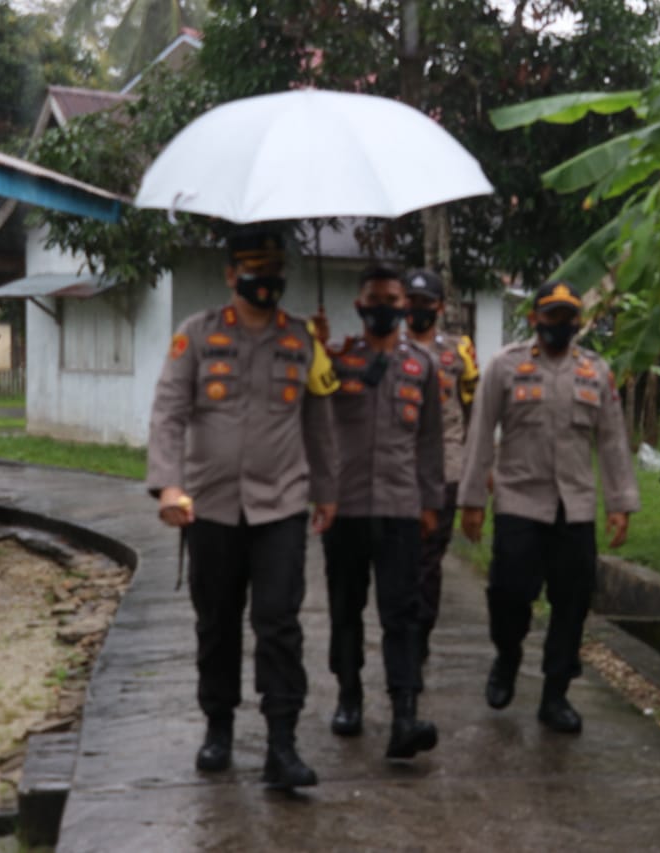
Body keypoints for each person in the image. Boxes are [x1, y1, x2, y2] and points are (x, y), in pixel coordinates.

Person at [147, 227, 339, 789]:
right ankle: (219, 727)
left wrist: (327, 491)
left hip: (280, 503)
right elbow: (168, 414)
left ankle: (282, 744)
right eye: (254, 269)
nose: (266, 280)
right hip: (211, 506)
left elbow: (319, 421)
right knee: (217, 621)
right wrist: (167, 486)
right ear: (231, 274)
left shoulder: (303, 339)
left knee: (279, 622)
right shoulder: (197, 336)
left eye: (275, 269)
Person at [458, 279, 639, 734]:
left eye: (568, 316)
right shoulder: (505, 366)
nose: (561, 324)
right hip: (520, 500)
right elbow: (481, 435)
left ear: (578, 320)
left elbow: (613, 440)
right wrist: (472, 500)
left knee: (572, 604)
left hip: (574, 508)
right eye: (552, 315)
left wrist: (620, 503)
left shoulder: (595, 371)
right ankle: (508, 655)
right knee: (509, 594)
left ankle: (555, 694)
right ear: (535, 317)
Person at [319, 264, 444, 760]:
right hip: (345, 507)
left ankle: (405, 713)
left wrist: (431, 501)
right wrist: (317, 350)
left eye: (394, 300)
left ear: (405, 307)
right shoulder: (339, 359)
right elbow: (315, 416)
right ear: (359, 305)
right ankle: (349, 698)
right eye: (376, 299)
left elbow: (431, 440)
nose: (386, 308)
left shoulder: (423, 366)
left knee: (403, 614)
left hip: (400, 508)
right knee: (345, 611)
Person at [402, 268, 479, 662]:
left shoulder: (458, 354)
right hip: (397, 471)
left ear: (440, 307)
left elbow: (473, 412)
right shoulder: (388, 349)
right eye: (411, 303)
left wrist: (479, 471)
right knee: (401, 562)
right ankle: (402, 635)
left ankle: (420, 636)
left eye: (426, 304)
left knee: (429, 562)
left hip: (445, 468)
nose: (418, 310)